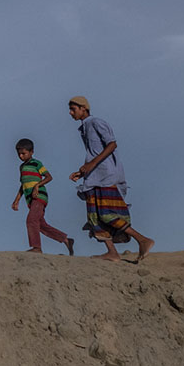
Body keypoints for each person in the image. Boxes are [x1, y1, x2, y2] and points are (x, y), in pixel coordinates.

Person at [67, 96, 154, 262]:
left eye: (73, 109)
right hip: (94, 177)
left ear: (83, 108)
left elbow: (112, 144)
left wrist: (92, 164)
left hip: (106, 175)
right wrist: (83, 172)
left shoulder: (96, 122)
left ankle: (142, 240)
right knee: (94, 216)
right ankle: (112, 252)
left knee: (106, 213)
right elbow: (94, 153)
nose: (71, 113)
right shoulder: (84, 128)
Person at [12, 139, 74, 255]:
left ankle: (36, 248)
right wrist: (17, 200)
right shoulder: (22, 167)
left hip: (39, 196)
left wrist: (37, 186)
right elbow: (23, 184)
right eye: (19, 154)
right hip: (30, 199)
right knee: (40, 225)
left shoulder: (36, 163)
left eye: (23, 153)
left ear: (31, 152)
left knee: (31, 220)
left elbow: (49, 177)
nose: (21, 156)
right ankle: (66, 240)